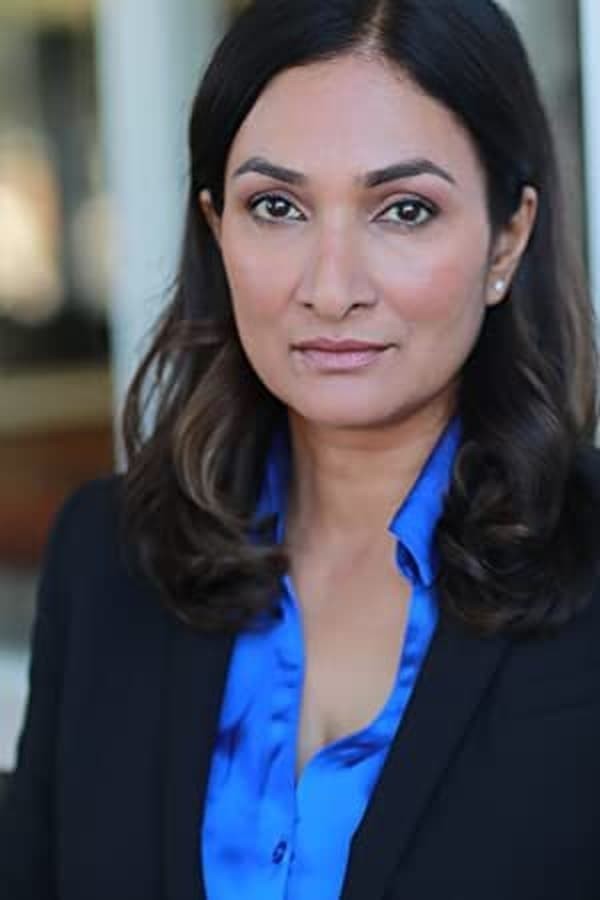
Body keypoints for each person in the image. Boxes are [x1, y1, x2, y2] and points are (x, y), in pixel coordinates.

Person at [1, 0, 600, 897]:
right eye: (276, 206)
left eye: (404, 209)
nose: (330, 287)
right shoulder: (106, 557)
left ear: (506, 238)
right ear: (217, 228)